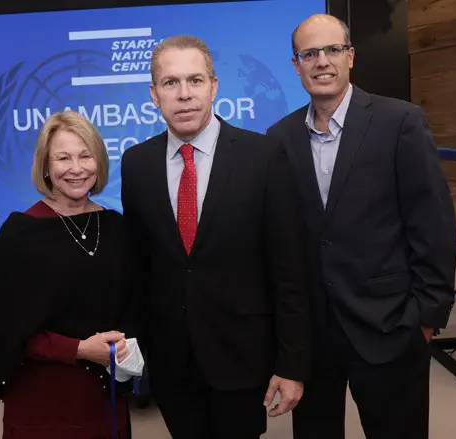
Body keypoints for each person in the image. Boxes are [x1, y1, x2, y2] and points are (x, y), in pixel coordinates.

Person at [266, 14, 456, 439]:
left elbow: (434, 225)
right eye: (309, 53)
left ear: (350, 56)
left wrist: (425, 317)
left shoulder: (400, 122)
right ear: (296, 65)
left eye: (332, 50)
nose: (322, 62)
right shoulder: (278, 138)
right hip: (313, 338)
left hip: (390, 326)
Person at [120, 35, 311, 439]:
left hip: (243, 358)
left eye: (195, 80)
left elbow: (289, 270)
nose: (184, 94)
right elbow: (138, 266)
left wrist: (292, 364)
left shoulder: (263, 157)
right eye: (171, 83)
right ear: (154, 95)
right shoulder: (136, 164)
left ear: (214, 86)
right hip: (171, 361)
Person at [0, 111, 143, 439]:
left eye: (85, 156)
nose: (76, 169)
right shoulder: (20, 233)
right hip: (44, 397)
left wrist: (124, 344)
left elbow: (134, 304)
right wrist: (77, 349)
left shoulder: (117, 227)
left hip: (105, 393)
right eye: (63, 158)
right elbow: (4, 327)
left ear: (99, 162)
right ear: (46, 167)